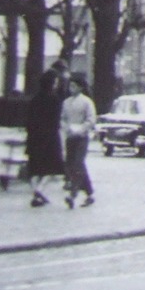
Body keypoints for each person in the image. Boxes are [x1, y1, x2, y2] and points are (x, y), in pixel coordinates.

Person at [24, 67, 66, 207]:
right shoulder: (54, 99)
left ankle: (37, 192)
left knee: (35, 168)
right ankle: (39, 191)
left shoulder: (35, 99)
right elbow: (56, 120)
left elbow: (29, 119)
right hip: (49, 137)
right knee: (52, 168)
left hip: (34, 137)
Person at [61, 73, 98, 208]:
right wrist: (67, 128)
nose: (72, 88)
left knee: (78, 163)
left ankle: (73, 194)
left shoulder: (87, 102)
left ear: (80, 88)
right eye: (70, 86)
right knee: (73, 165)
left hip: (82, 137)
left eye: (74, 86)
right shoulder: (66, 102)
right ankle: (89, 193)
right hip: (70, 137)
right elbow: (62, 118)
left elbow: (91, 119)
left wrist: (81, 129)